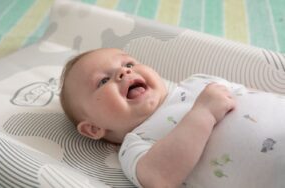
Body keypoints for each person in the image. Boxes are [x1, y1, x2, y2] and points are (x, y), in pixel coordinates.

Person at [60, 48, 285, 188]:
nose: (124, 72)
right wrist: (203, 113)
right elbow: (160, 178)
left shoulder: (197, 81)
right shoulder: (136, 144)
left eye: (128, 64)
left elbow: (252, 94)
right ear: (93, 129)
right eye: (102, 81)